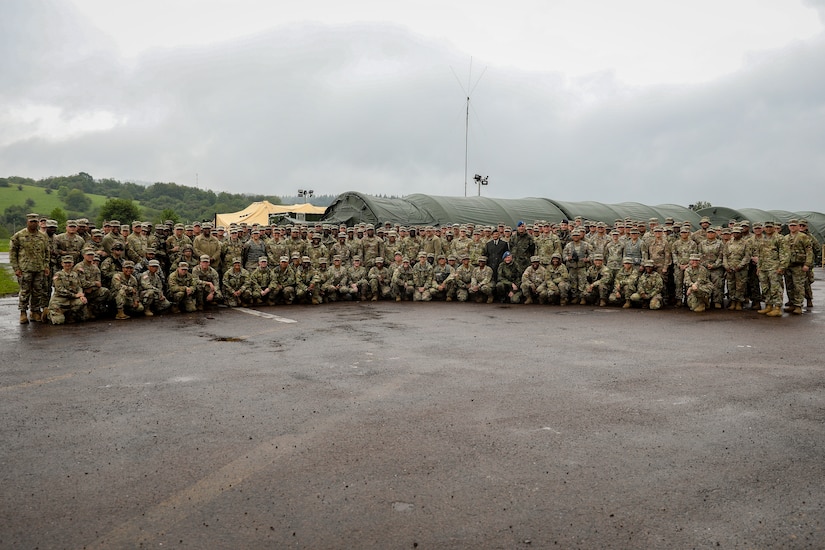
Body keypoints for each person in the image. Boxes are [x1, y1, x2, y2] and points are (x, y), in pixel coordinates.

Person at [10, 213, 51, 323]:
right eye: (31, 221)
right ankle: (23, 312)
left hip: (39, 269)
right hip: (25, 268)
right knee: (25, 291)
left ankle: (35, 312)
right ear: (27, 222)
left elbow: (47, 252)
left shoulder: (42, 237)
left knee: (38, 291)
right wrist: (16, 268)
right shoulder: (19, 235)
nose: (33, 224)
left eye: (35, 222)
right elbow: (13, 253)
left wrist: (46, 266)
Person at [755, 221, 786, 317]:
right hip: (763, 267)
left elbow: (784, 254)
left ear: (774, 227)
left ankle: (777, 307)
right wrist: (758, 267)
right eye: (767, 227)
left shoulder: (779, 238)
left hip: (774, 267)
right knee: (765, 287)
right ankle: (768, 305)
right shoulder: (763, 239)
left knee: (775, 287)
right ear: (764, 228)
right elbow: (760, 254)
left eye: (770, 227)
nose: (768, 229)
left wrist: (782, 267)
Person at [47, 255, 88, 324]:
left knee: (82, 304)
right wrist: (75, 295)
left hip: (70, 301)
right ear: (62, 264)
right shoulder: (58, 275)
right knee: (59, 322)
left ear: (72, 264)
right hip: (59, 301)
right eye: (65, 263)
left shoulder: (75, 274)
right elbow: (60, 290)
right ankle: (48, 314)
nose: (67, 264)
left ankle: (69, 314)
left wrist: (81, 295)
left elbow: (79, 287)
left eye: (69, 263)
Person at [783, 219, 813, 315]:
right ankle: (791, 303)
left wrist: (807, 264)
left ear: (797, 226)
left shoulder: (803, 237)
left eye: (794, 225)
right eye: (791, 225)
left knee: (798, 286)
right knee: (789, 286)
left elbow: (809, 251)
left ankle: (798, 305)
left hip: (799, 266)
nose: (792, 227)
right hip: (788, 266)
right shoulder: (786, 238)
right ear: (788, 227)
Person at [73, 247, 110, 319]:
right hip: (80, 292)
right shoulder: (79, 267)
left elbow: (99, 284)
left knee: (105, 291)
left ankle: (91, 306)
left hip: (92, 291)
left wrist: (92, 287)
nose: (90, 257)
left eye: (92, 255)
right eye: (88, 255)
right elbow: (81, 283)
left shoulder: (95, 268)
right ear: (84, 255)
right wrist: (94, 284)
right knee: (83, 318)